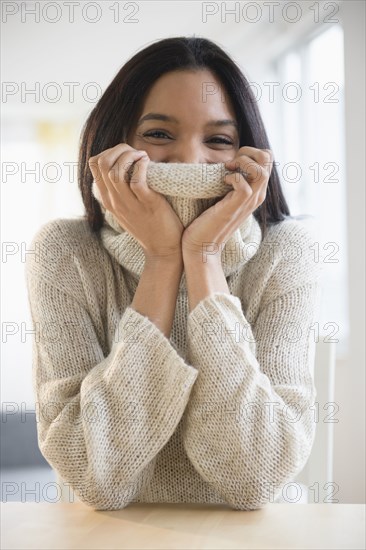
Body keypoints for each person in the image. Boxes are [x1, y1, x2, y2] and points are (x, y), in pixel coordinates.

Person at [25, 36, 322, 511]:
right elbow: (94, 475)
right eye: (160, 134)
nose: (189, 160)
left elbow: (255, 477)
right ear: (112, 144)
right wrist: (163, 261)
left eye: (219, 140)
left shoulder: (286, 251)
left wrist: (202, 256)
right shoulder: (64, 253)